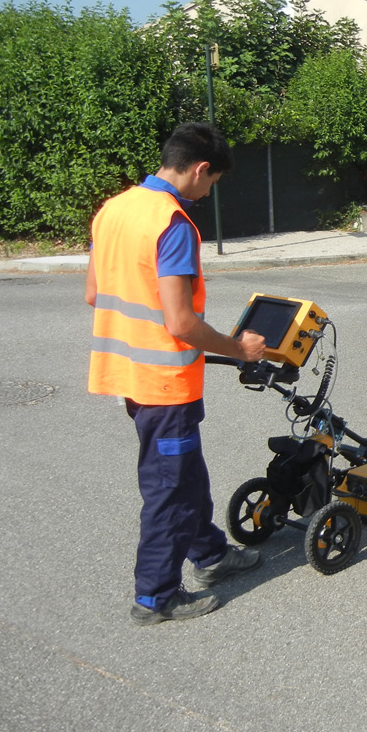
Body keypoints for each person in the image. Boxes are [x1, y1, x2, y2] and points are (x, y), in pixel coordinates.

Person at [86, 122, 267, 625]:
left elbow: (94, 294)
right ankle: (155, 597)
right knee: (169, 489)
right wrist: (239, 348)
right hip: (163, 383)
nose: (208, 193)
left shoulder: (114, 209)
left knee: (186, 476)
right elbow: (181, 322)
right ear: (200, 169)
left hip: (129, 374)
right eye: (212, 183)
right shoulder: (172, 223)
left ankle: (210, 556)